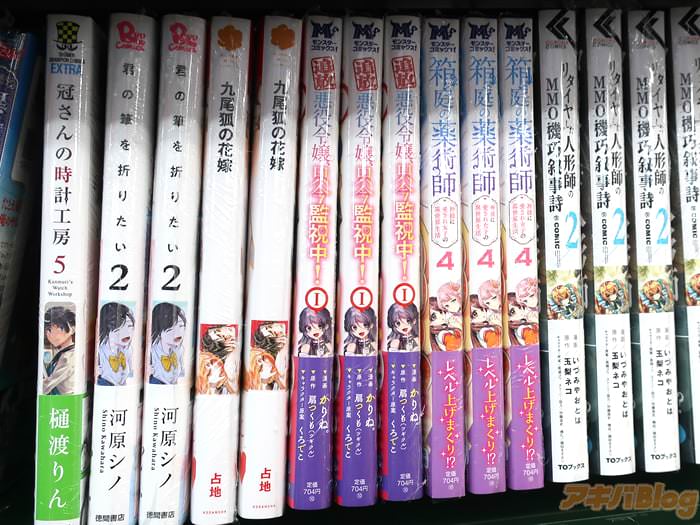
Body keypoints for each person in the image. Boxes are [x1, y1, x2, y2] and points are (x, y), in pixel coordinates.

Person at [96, 302, 135, 386]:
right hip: (105, 384)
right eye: (119, 328)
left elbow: (130, 370)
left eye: (130, 326)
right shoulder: (100, 349)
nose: (127, 333)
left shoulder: (128, 350)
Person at [149, 303, 186, 385]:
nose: (177, 332)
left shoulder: (180, 349)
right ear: (159, 331)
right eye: (170, 329)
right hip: (156, 383)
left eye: (181, 326)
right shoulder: (152, 350)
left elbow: (182, 370)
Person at [43, 305, 76, 395]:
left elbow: (47, 385)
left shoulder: (69, 356)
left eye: (58, 328)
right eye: (48, 330)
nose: (50, 334)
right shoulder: (63, 353)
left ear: (72, 329)